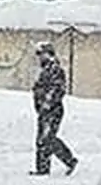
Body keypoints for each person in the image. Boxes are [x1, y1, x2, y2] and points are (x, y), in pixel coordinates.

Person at [30, 41, 79, 176]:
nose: (39, 57)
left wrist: (47, 102)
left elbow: (58, 89)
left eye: (41, 54)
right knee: (41, 140)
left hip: (53, 110)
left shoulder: (55, 69)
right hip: (43, 110)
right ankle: (42, 169)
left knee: (48, 138)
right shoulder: (44, 70)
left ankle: (70, 160)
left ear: (48, 54)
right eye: (38, 54)